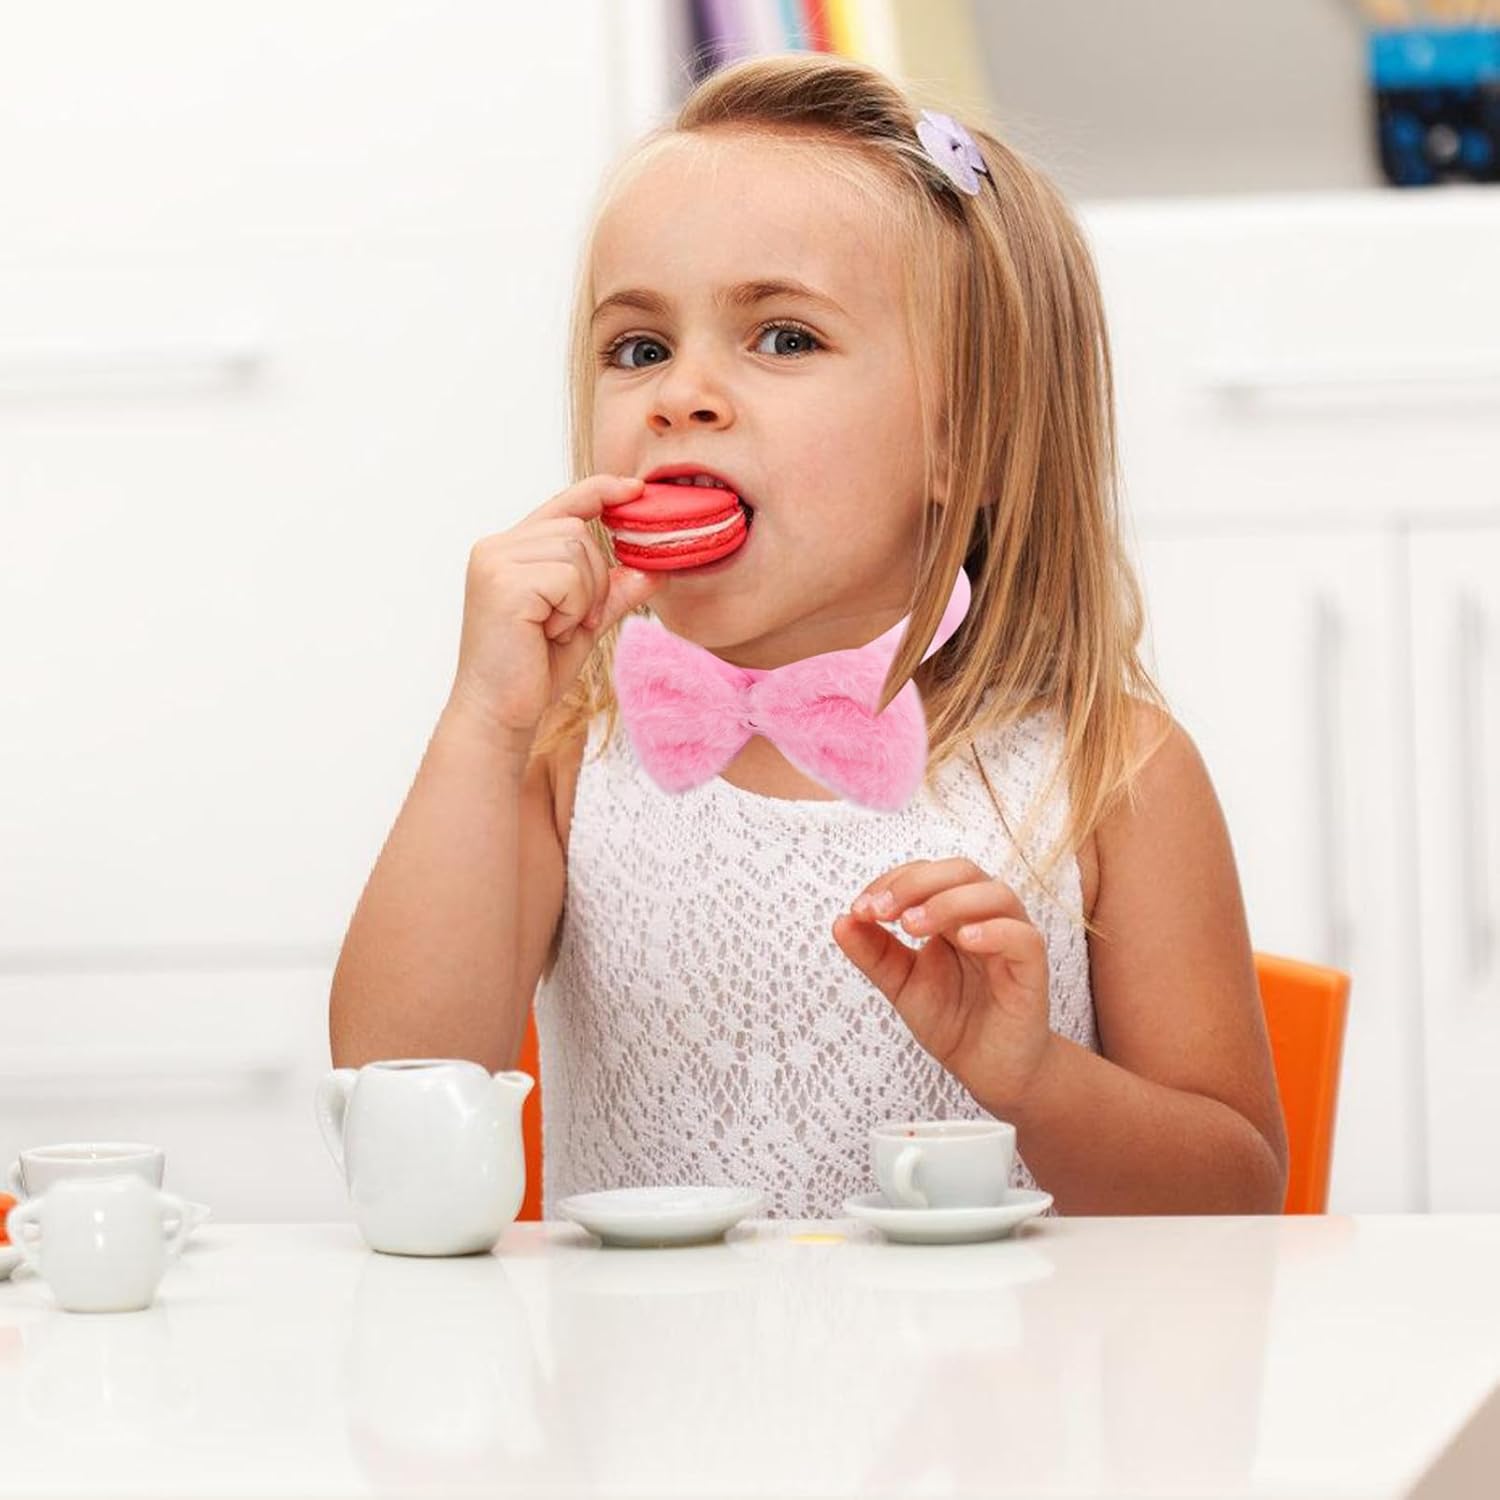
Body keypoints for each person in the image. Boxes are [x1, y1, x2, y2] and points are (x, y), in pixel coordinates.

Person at [328, 52, 1289, 1218]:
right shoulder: (564, 762)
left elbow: (1234, 1201)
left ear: (967, 442)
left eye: (783, 338)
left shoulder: (1107, 771)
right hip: (639, 1350)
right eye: (639, 349)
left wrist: (1035, 1077)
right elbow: (395, 1105)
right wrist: (483, 723)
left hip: (999, 1349)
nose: (680, 395)